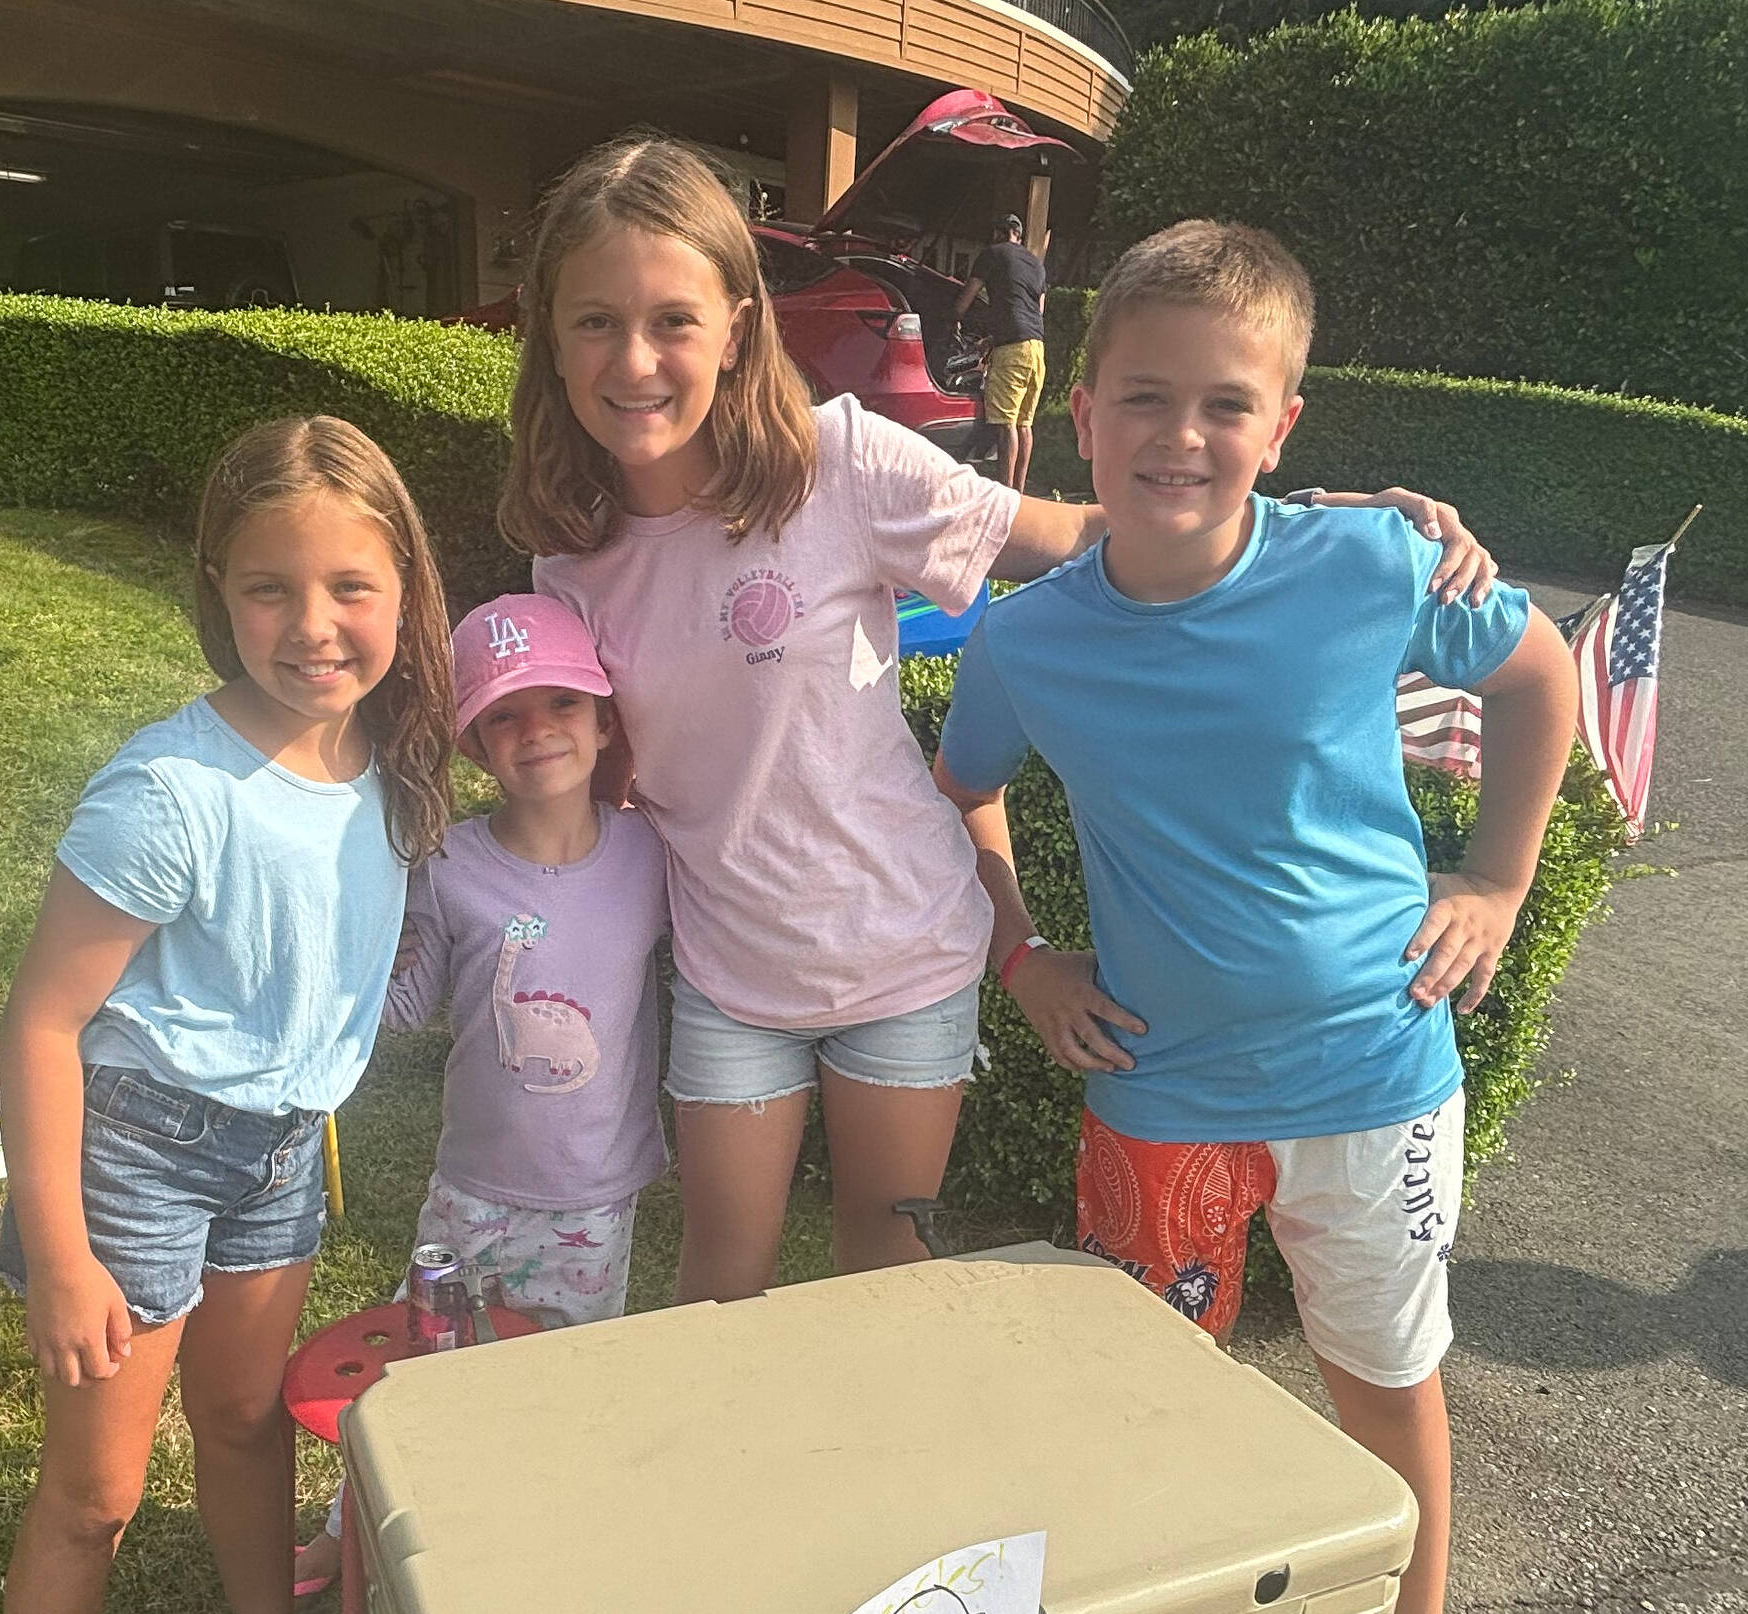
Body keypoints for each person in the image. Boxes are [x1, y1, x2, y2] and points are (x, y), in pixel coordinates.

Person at [499, 134, 1495, 1312]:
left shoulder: (839, 460)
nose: (634, 358)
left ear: (735, 323)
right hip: (727, 971)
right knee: (720, 1285)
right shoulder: (563, 561)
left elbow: (1079, 529)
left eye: (672, 318)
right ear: (548, 340)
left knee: (885, 1278)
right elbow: (609, 781)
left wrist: (1304, 528)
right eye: (594, 322)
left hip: (907, 949)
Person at [932, 221, 1581, 1614]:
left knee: (1384, 1382)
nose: (1180, 436)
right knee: (1156, 1409)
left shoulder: (1370, 565)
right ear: (1077, 410)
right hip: (1156, 1095)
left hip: (1374, 1080)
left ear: (1284, 423)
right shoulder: (1025, 638)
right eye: (1142, 397)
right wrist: (1020, 958)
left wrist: (1496, 880)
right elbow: (963, 791)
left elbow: (1537, 672)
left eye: (1226, 404)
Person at [0, 415, 455, 1614]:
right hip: (137, 1147)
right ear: (216, 591)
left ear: (405, 590)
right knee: (98, 1488)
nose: (313, 627)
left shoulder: (393, 760)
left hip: (273, 1155)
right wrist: (61, 1250)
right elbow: (42, 1021)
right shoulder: (168, 792)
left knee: (247, 1417)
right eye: (270, 591)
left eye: (349, 586)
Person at [292, 593, 670, 1595]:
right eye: (504, 713)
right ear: (472, 743)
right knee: (418, 1375)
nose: (536, 731)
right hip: (471, 1188)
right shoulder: (451, 864)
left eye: (559, 704)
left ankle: (534, 1546)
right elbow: (405, 1003)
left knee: (565, 1386)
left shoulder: (650, 858)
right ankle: (351, 1529)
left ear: (602, 721)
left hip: (594, 1197)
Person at [956, 212, 1049, 492]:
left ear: (997, 234)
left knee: (1005, 423)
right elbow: (1037, 310)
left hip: (1012, 352)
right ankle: (1019, 494)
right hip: (1037, 349)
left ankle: (1004, 493)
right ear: (1018, 236)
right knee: (1025, 423)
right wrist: (993, 337)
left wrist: (952, 317)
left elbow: (966, 299)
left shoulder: (992, 254)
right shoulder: (1036, 264)